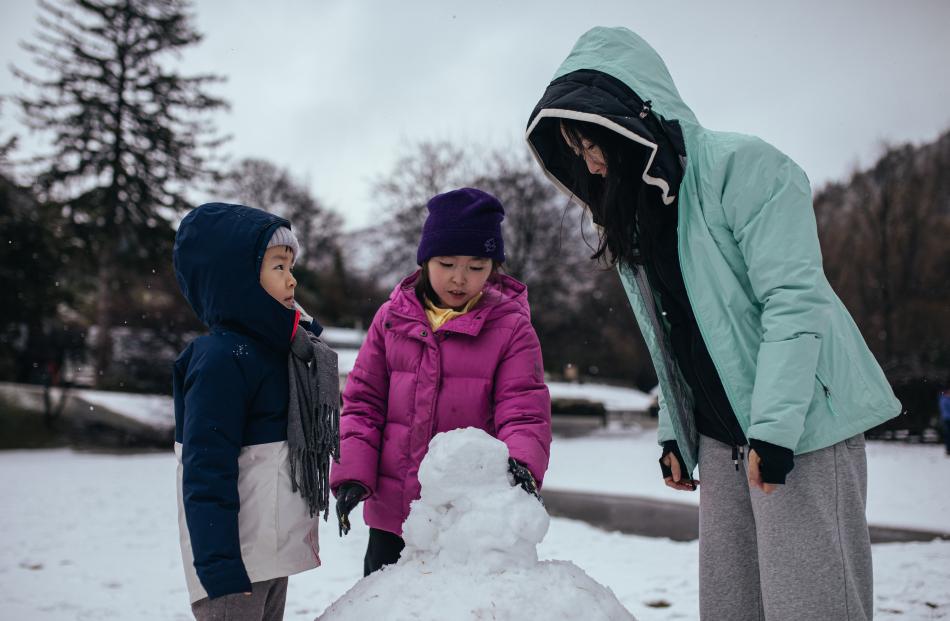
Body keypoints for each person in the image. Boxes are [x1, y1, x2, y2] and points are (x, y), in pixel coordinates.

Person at [524, 27, 901, 621]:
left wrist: (775, 431)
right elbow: (672, 333)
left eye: (592, 141)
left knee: (811, 608)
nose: (590, 161)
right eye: (575, 148)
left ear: (631, 121)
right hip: (724, 438)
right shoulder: (637, 218)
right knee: (731, 609)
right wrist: (676, 428)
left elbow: (795, 302)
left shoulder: (746, 168)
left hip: (802, 427)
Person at [330, 187, 552, 576]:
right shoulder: (391, 319)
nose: (460, 279)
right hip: (392, 515)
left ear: (494, 267)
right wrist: (353, 472)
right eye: (447, 263)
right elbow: (364, 403)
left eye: (477, 266)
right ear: (426, 259)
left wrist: (522, 463)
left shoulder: (512, 329)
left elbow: (523, 409)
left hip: (464, 518)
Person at [172, 203, 339, 621]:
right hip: (235, 564)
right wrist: (220, 568)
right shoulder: (222, 359)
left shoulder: (280, 351)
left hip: (270, 554)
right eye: (279, 267)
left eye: (291, 266)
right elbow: (206, 471)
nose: (292, 278)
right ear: (238, 279)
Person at [940, 388, 950, 455]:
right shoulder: (944, 400)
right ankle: (948, 449)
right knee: (948, 434)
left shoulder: (945, 399)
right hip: (947, 419)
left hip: (947, 418)